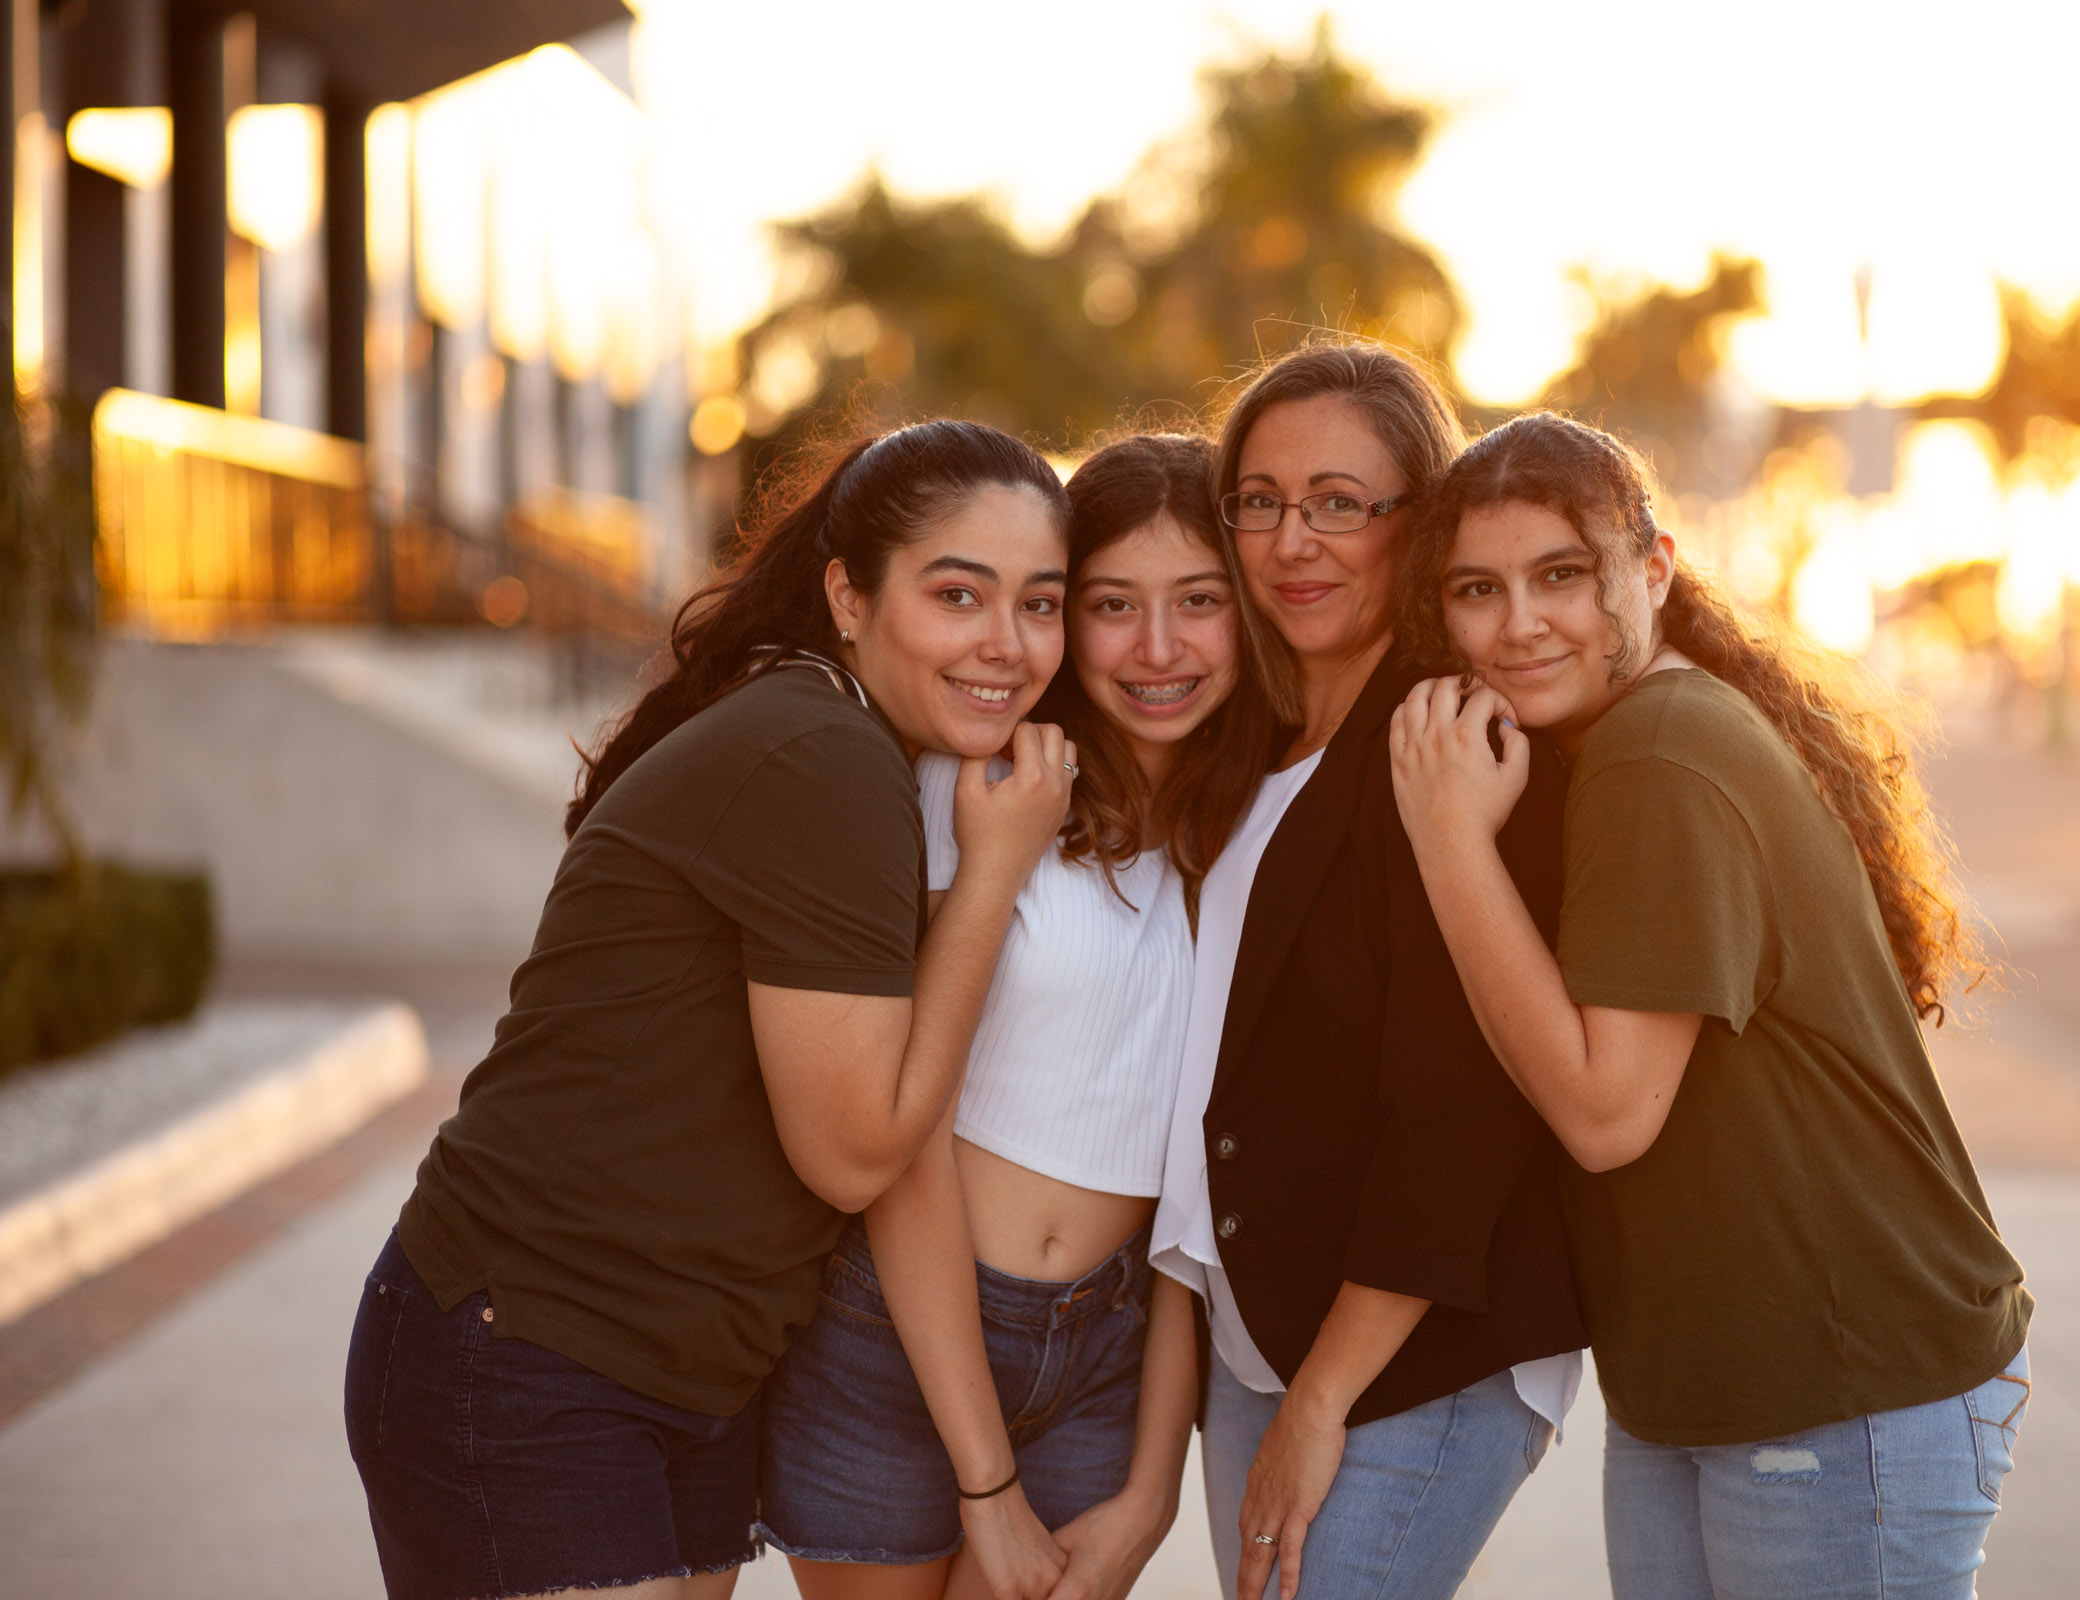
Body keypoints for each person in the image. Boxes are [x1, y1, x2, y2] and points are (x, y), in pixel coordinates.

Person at [344, 420, 1079, 1600]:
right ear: (849, 594)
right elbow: (856, 1152)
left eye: (1041, 604)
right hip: (532, 1350)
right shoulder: (819, 756)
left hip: (682, 1373)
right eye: (959, 594)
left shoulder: (833, 731)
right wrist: (995, 874)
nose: (1008, 643)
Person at [1386, 411, 2034, 1599]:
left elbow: (1603, 1111)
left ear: (1654, 569)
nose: (1520, 621)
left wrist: (1445, 840)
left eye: (1562, 575)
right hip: (1717, 1386)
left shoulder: (1660, 749)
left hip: (1840, 1391)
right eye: (1478, 588)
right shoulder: (1619, 740)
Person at [760, 433, 1279, 1600]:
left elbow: (1190, 1202)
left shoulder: (1239, 835)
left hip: (1108, 1347)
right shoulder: (977, 787)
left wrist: (1151, 1489)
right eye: (1110, 604)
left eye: (1199, 601)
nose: (1159, 648)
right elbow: (903, 1137)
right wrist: (985, 1481)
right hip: (902, 1334)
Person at [1150, 342, 1588, 1600]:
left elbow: (1463, 1109)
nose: (1295, 541)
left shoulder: (1453, 742)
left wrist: (1323, 1397)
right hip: (1265, 1337)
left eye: (1341, 503)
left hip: (1409, 1357)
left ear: (1420, 519)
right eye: (1263, 502)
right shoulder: (1258, 743)